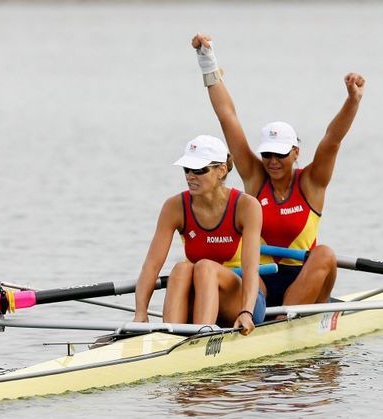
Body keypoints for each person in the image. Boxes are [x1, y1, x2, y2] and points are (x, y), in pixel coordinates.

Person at [191, 33, 366, 310]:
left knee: (325, 254)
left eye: (280, 154)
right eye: (267, 153)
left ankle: (285, 321)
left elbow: (332, 140)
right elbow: (228, 117)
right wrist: (207, 60)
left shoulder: (312, 182)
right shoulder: (255, 176)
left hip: (304, 280)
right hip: (259, 280)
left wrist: (352, 101)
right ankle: (261, 320)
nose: (272, 161)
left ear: (296, 153)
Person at [134, 135, 265, 335]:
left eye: (198, 170)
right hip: (201, 293)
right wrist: (140, 312)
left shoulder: (246, 206)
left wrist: (246, 311)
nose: (190, 176)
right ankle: (170, 339)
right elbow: (151, 266)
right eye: (187, 169)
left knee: (204, 267)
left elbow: (250, 269)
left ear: (221, 170)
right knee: (181, 269)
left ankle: (201, 338)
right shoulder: (174, 206)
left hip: (243, 300)